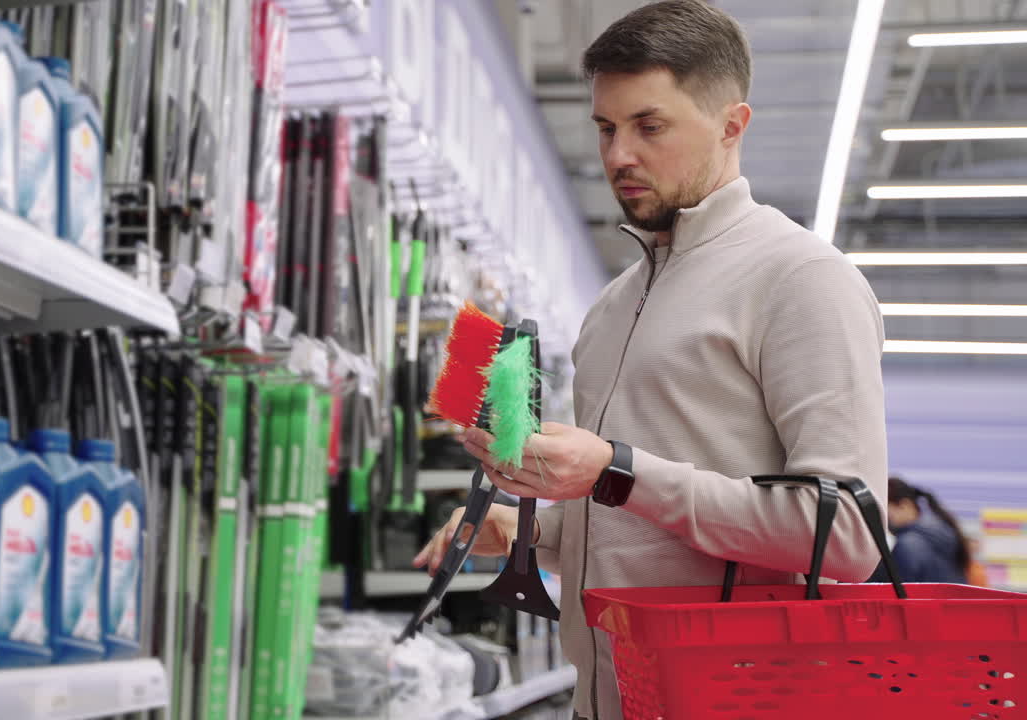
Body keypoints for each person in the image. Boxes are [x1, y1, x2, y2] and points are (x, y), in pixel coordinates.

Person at [413, 2, 888, 718]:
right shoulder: (610, 309)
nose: (617, 156)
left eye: (649, 126)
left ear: (733, 125)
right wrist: (532, 525)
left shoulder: (801, 280)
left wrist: (617, 468)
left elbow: (847, 536)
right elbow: (640, 515)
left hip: (739, 701)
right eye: (606, 128)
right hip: (604, 699)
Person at [882, 476, 971, 584]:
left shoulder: (908, 544)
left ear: (904, 505)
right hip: (950, 599)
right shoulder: (944, 529)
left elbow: (902, 593)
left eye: (885, 511)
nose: (883, 519)